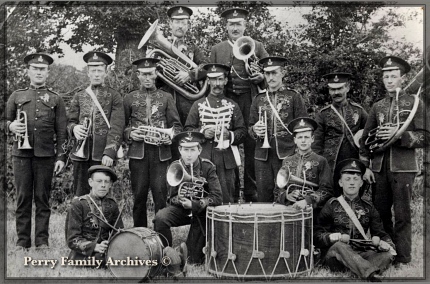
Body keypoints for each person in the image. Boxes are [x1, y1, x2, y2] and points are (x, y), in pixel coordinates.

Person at [359, 56, 429, 266]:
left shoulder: (415, 103)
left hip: (403, 168)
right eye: (386, 76)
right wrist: (366, 166)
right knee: (380, 214)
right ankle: (386, 253)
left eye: (394, 76)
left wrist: (401, 135)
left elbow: (426, 136)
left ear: (402, 78)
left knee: (402, 214)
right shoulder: (377, 106)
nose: (389, 80)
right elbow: (365, 140)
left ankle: (404, 257)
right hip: (379, 169)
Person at [6, 53, 68, 250]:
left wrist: (60, 157)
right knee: (23, 199)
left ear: (48, 72)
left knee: (43, 199)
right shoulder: (17, 96)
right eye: (35, 68)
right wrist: (11, 126)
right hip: (21, 156)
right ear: (28, 71)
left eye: (42, 69)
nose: (39, 72)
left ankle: (42, 241)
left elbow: (62, 132)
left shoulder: (56, 99)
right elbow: (3, 122)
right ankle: (22, 241)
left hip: (46, 156)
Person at [210, 7, 269, 202]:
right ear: (226, 26)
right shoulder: (217, 49)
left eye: (239, 24)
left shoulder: (257, 46)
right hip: (228, 102)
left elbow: (270, 75)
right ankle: (232, 193)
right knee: (228, 144)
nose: (235, 28)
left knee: (253, 146)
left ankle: (252, 194)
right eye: (231, 24)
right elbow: (211, 79)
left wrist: (261, 77)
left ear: (245, 25)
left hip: (250, 101)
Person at [123, 58, 182, 227]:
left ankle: (161, 238)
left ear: (156, 74)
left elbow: (177, 126)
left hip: (160, 155)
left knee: (161, 196)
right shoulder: (129, 98)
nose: (147, 78)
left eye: (150, 74)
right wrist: (131, 134)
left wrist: (169, 137)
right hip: (138, 155)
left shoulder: (166, 97)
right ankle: (140, 237)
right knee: (139, 197)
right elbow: (121, 127)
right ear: (138, 75)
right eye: (143, 74)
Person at [315, 159, 396, 281]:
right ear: (340, 183)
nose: (351, 183)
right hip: (336, 257)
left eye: (356, 179)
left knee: (387, 255)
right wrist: (333, 237)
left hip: (360, 254)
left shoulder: (369, 207)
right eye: (347, 179)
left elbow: (381, 234)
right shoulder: (331, 205)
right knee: (340, 246)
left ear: (361, 183)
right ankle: (369, 274)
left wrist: (386, 244)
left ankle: (358, 269)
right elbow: (317, 235)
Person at [153, 131, 223, 265]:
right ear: (180, 150)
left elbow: (217, 197)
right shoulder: (175, 167)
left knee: (193, 260)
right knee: (160, 218)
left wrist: (196, 204)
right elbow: (171, 198)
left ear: (199, 150)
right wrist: (179, 199)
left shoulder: (208, 167)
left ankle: (190, 253)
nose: (189, 154)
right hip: (182, 209)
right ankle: (165, 253)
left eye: (192, 149)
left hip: (201, 213)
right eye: (185, 149)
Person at [184, 63, 246, 203]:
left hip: (226, 160)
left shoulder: (232, 105)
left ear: (225, 81)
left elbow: (242, 132)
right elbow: (187, 130)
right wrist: (202, 133)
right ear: (208, 81)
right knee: (202, 195)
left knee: (226, 197)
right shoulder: (198, 104)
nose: (216, 84)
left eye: (220, 79)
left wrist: (229, 135)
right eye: (213, 79)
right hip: (204, 157)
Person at [249, 56, 308, 202]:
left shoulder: (293, 96)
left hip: (288, 153)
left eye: (274, 73)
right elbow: (249, 127)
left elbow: (303, 126)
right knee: (264, 196)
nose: (270, 77)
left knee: (288, 194)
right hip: (263, 155)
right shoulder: (258, 99)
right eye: (267, 74)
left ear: (283, 73)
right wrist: (255, 130)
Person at [67, 51, 125, 196]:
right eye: (93, 71)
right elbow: (70, 122)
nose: (97, 74)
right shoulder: (79, 95)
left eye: (100, 70)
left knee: (102, 193)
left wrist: (110, 152)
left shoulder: (115, 96)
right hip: (81, 154)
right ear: (88, 73)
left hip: (103, 154)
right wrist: (74, 129)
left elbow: (117, 126)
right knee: (80, 194)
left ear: (106, 72)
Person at [65, 165, 123, 265]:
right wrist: (95, 247)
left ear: (110, 185)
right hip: (82, 254)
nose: (103, 185)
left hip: (105, 251)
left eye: (106, 182)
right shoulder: (78, 204)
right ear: (90, 182)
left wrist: (110, 245)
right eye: (99, 181)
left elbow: (118, 233)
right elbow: (72, 239)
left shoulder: (112, 205)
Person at [162, 5, 209, 126]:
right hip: (166, 99)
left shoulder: (194, 48)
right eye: (177, 22)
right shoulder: (161, 47)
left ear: (188, 25)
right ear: (170, 24)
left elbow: (207, 67)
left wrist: (190, 75)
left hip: (188, 101)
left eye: (183, 22)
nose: (180, 26)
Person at [313, 72, 368, 173]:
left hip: (355, 162)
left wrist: (366, 165)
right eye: (332, 89)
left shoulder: (359, 111)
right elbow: (316, 144)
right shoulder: (323, 114)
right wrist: (319, 168)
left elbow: (369, 135)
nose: (336, 93)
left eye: (340, 88)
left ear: (347, 88)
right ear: (329, 91)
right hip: (330, 165)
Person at [275, 117, 333, 214]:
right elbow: (277, 189)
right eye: (300, 137)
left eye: (306, 137)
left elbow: (327, 190)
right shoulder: (287, 161)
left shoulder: (321, 161)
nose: (303, 141)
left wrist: (307, 200)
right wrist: (287, 195)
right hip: (290, 209)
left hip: (313, 212)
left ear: (312, 139)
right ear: (295, 140)